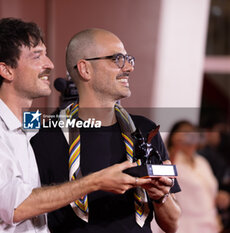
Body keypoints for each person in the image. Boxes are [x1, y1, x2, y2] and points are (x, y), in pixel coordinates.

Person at [0, 18, 153, 233]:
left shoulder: (30, 124)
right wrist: (97, 181)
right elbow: (16, 206)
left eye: (45, 54)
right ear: (6, 71)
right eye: (37, 56)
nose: (50, 64)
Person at [31, 28, 181, 233]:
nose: (128, 67)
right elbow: (24, 209)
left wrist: (160, 196)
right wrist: (93, 183)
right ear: (85, 69)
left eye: (128, 59)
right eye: (117, 59)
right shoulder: (44, 136)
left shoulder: (145, 130)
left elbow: (172, 224)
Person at [161, 120, 221, 233]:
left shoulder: (201, 162)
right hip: (185, 225)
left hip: (208, 223)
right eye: (185, 133)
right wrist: (176, 148)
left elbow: (209, 192)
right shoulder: (172, 161)